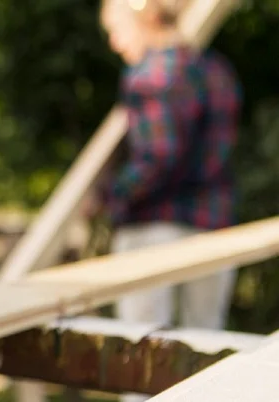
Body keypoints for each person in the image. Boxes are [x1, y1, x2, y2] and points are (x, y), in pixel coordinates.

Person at [94, 0, 241, 400]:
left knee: (140, 360)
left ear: (145, 17)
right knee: (207, 356)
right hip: (214, 230)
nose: (113, 41)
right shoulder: (218, 72)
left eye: (117, 28)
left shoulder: (152, 75)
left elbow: (158, 157)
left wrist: (110, 197)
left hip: (154, 230)